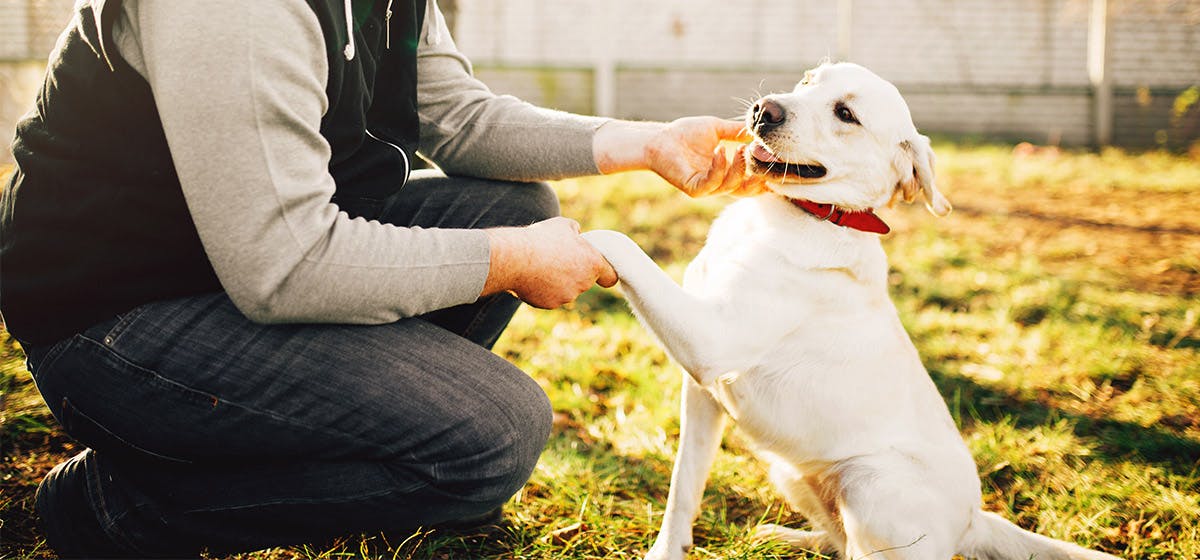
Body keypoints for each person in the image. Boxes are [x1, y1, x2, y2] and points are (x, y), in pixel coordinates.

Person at [0, 0, 765, 556]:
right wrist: (513, 260)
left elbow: (457, 118)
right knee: (492, 438)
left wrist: (650, 142)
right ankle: (114, 509)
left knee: (511, 204)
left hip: (233, 269)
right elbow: (287, 263)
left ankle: (363, 439)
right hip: (116, 320)